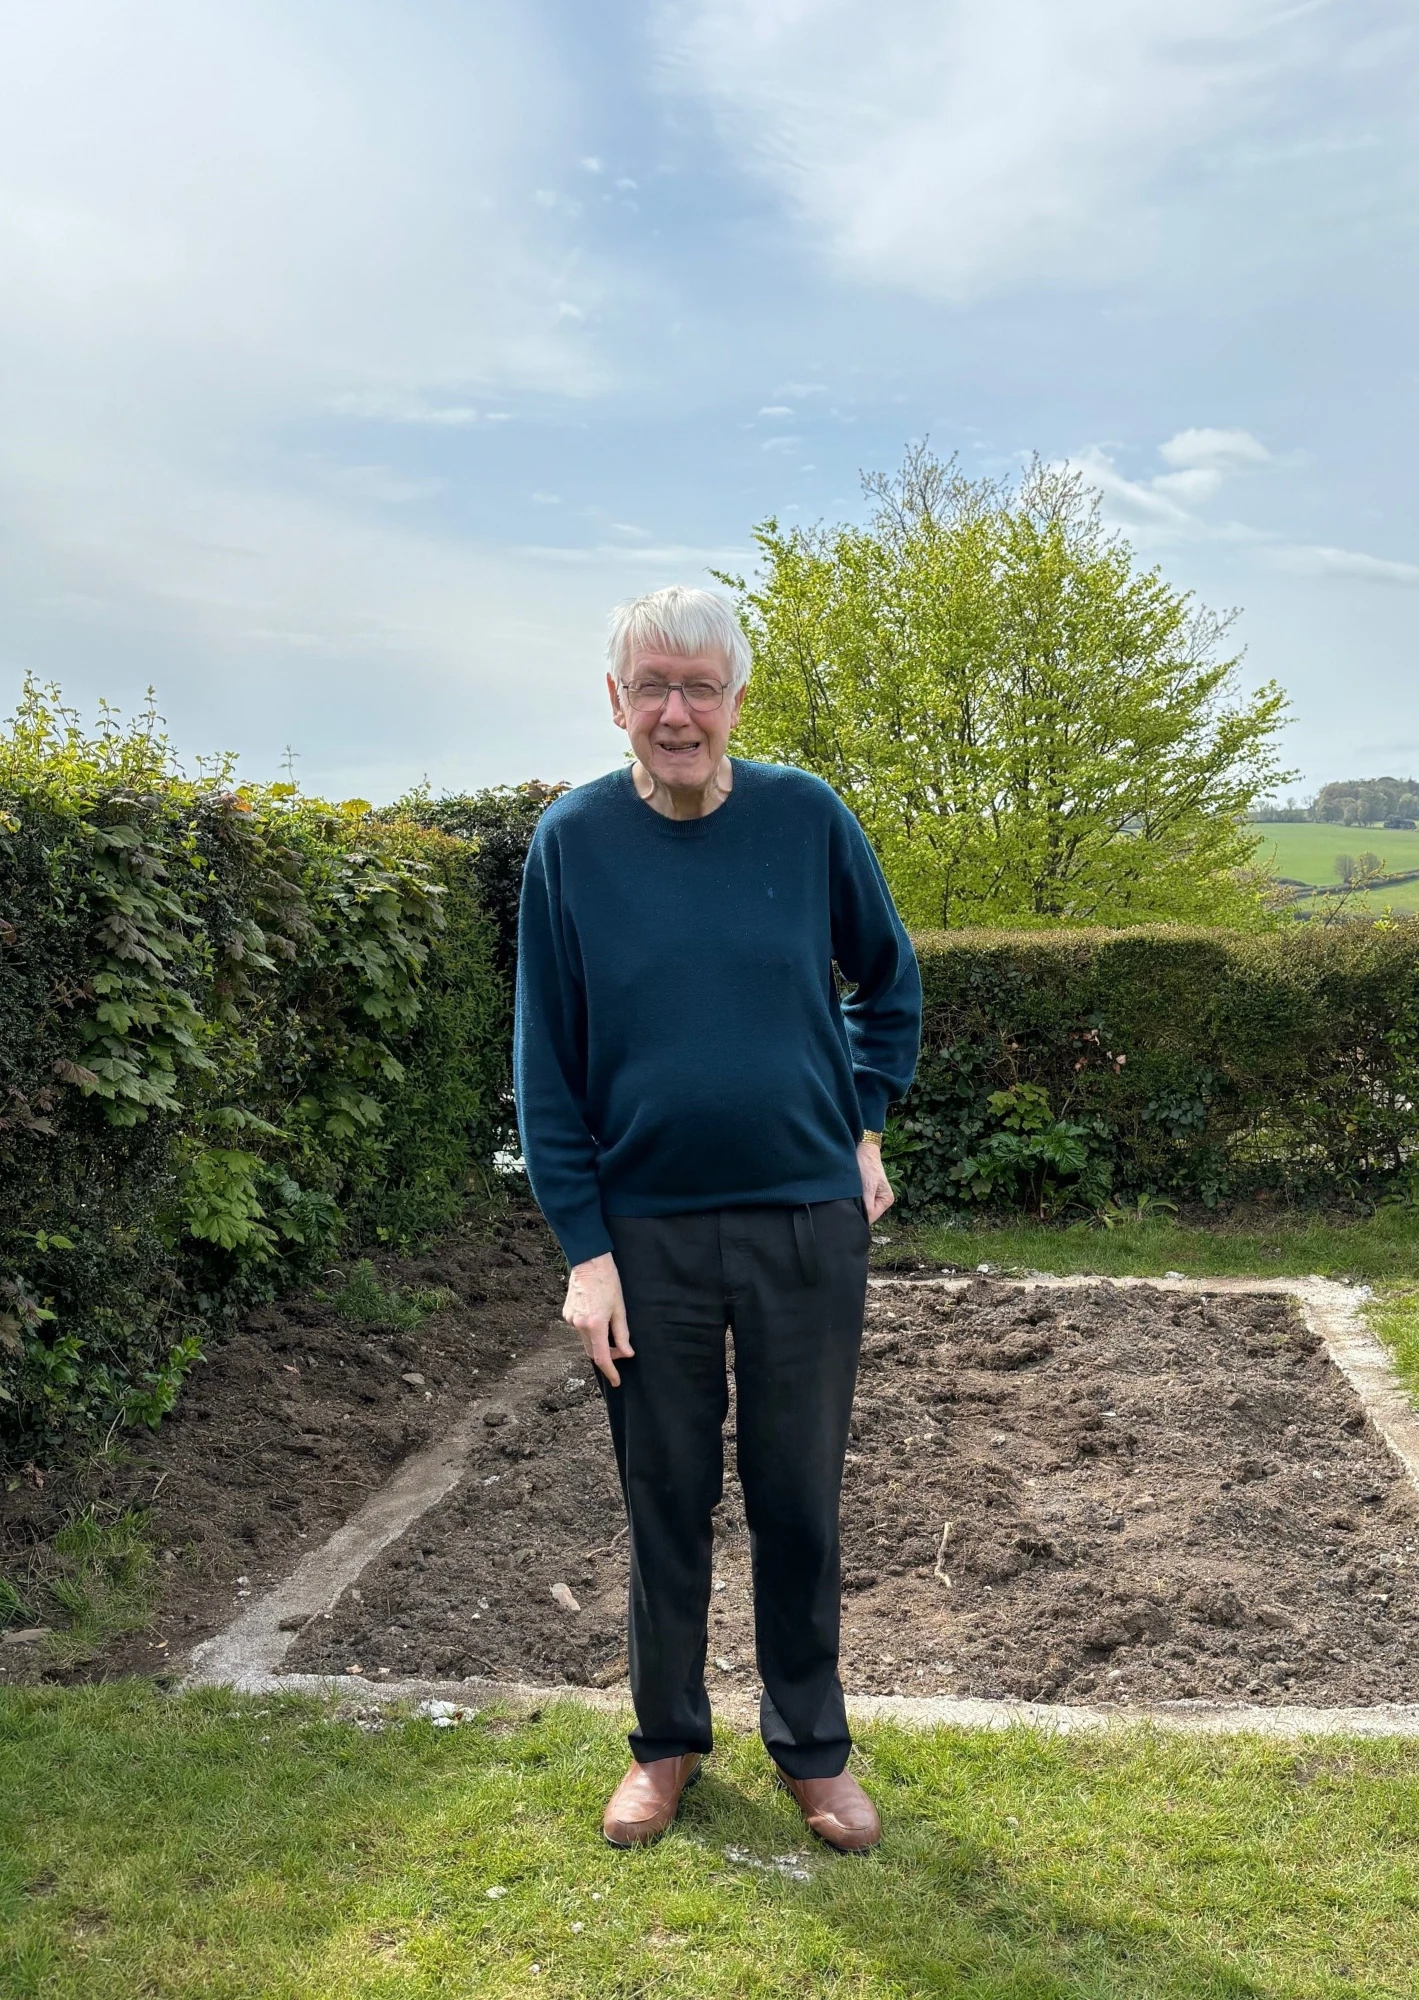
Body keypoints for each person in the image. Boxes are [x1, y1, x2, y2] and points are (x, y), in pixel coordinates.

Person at [517, 584, 921, 1854]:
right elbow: (547, 1066)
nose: (677, 712)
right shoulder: (570, 842)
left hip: (807, 1220)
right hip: (646, 1240)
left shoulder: (806, 818)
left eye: (700, 686)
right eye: (653, 687)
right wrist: (587, 1252)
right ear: (616, 701)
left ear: (739, 698)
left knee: (798, 1491)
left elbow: (889, 982)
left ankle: (812, 1748)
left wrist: (856, 1122)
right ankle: (666, 1742)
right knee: (666, 1492)